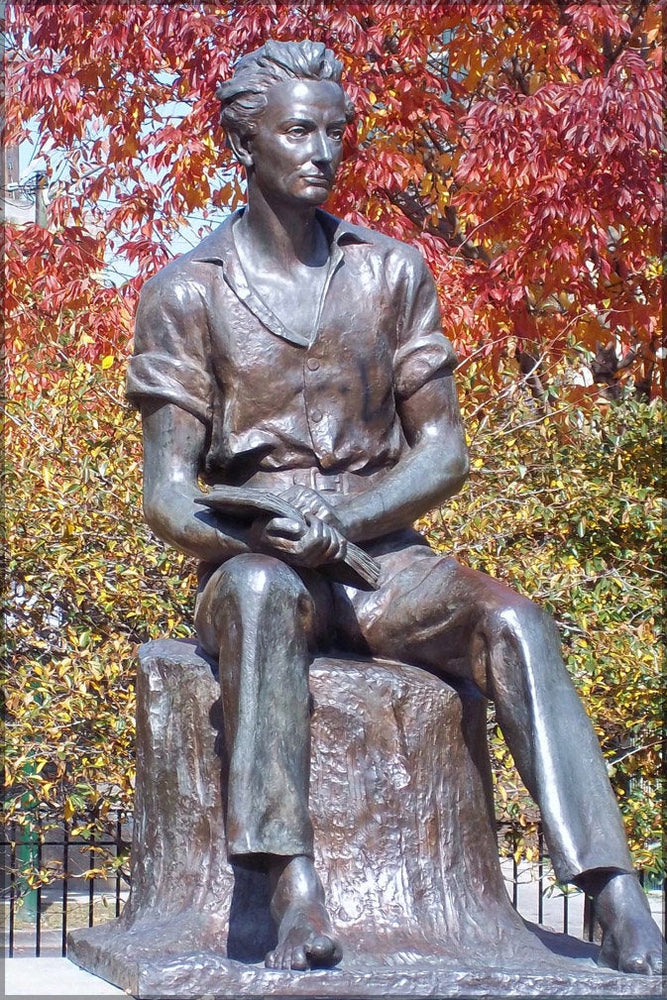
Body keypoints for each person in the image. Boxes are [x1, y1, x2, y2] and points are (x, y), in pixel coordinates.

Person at [126, 39, 663, 975]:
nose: (324, 151)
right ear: (240, 141)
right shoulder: (186, 292)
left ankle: (615, 899)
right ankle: (290, 892)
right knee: (259, 598)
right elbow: (167, 496)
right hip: (252, 560)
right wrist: (257, 533)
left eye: (337, 131)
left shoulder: (392, 271)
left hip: (382, 561)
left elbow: (443, 453)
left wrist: (349, 524)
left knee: (517, 623)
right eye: (299, 130)